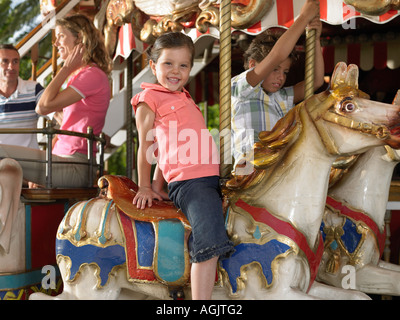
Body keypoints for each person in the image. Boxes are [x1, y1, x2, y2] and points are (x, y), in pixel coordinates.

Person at [131, 32, 234, 300]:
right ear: (153, 66)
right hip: (191, 183)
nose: (176, 71)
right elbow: (146, 145)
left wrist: (157, 184)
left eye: (183, 65)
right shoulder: (150, 99)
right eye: (168, 64)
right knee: (208, 238)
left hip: (209, 179)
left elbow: (167, 148)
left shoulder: (184, 97)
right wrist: (144, 186)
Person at [0, 14, 111, 188]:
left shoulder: (92, 75)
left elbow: (42, 107)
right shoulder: (80, 76)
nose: (56, 43)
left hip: (74, 165)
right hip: (59, 160)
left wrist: (66, 68)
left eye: (60, 36)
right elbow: (64, 125)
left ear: (79, 38)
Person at [231, 0, 324, 169]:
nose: (281, 77)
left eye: (285, 72)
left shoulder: (280, 97)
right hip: (249, 167)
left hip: (278, 166)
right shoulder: (241, 89)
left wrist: (316, 40)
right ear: (253, 65)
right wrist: (303, 18)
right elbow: (277, 55)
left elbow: (316, 81)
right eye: (275, 69)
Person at [0, 44, 44, 149]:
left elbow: (60, 117)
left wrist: (55, 146)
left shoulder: (34, 89)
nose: (11, 66)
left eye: (15, 61)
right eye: (5, 61)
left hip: (27, 162)